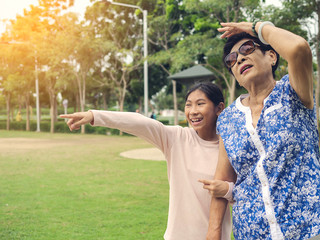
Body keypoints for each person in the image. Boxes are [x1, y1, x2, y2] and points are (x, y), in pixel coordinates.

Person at [60, 81, 233, 240]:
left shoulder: (232, 148)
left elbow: (246, 193)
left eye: (200, 104)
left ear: (219, 108)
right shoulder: (177, 138)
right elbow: (140, 122)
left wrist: (227, 190)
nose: (193, 111)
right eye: (188, 105)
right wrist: (94, 116)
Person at [203, 21, 320, 240]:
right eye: (232, 60)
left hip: (308, 230)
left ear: (272, 56)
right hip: (251, 233)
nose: (239, 58)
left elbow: (298, 49)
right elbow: (224, 177)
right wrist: (214, 231)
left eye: (247, 48)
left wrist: (256, 26)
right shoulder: (228, 118)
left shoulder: (293, 93)